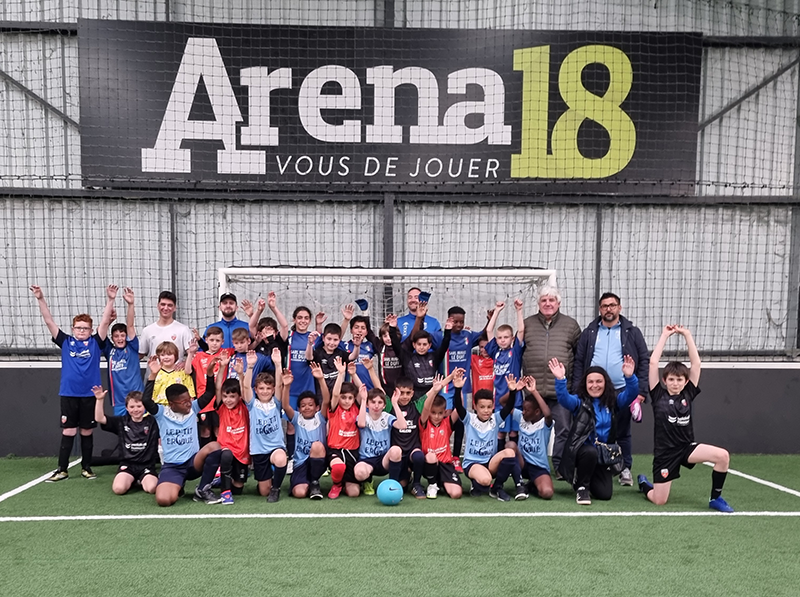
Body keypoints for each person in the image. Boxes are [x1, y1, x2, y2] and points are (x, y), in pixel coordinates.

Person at [637, 325, 734, 513]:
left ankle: (715, 498)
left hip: (686, 448)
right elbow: (653, 363)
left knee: (723, 456)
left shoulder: (688, 393)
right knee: (659, 501)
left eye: (679, 380)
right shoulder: (658, 395)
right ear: (664, 381)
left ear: (686, 381)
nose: (675, 383)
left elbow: (696, 365)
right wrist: (665, 335)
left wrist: (687, 335)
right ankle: (644, 485)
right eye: (671, 379)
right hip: (665, 453)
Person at [30, 284, 113, 482]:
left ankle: (86, 468)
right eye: (78, 327)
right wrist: (41, 299)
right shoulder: (66, 341)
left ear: (90, 330)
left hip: (90, 394)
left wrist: (110, 300)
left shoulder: (95, 342)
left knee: (86, 431)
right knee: (68, 430)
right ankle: (62, 469)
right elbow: (48, 320)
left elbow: (104, 323)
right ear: (73, 329)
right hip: (69, 393)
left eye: (85, 328)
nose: (82, 330)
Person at [573, 292, 649, 487]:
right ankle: (584, 467)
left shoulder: (632, 332)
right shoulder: (590, 332)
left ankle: (624, 468)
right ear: (600, 309)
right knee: (588, 430)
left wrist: (640, 391)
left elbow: (644, 361)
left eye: (613, 305)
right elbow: (580, 361)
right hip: (593, 390)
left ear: (619, 308)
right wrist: (577, 389)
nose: (609, 309)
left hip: (621, 389)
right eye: (605, 305)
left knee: (622, 431)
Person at [548, 355, 639, 505]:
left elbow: (631, 394)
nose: (594, 385)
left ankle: (585, 479)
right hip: (582, 452)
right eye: (590, 382)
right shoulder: (579, 402)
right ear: (585, 384)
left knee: (604, 494)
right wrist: (560, 379)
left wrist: (629, 377)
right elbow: (564, 398)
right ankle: (582, 487)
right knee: (590, 451)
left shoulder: (613, 402)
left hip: (603, 455)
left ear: (605, 383)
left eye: (599, 381)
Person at [141, 356, 224, 506]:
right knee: (164, 500)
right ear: (172, 403)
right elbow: (146, 401)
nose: (188, 404)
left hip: (193, 463)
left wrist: (210, 373)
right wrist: (153, 375)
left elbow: (209, 394)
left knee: (215, 447)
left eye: (189, 400)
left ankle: (203, 489)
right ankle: (177, 485)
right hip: (173, 466)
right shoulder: (161, 413)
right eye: (184, 402)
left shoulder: (193, 408)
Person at [521, 286, 581, 476]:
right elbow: (517, 352)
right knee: (532, 430)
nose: (548, 304)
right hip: (534, 391)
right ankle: (530, 466)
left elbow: (579, 357)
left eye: (551, 300)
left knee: (563, 429)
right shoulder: (527, 324)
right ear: (538, 303)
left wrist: (574, 385)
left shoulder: (571, 325)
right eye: (544, 300)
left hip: (561, 392)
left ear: (558, 303)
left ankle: (560, 467)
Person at [455, 375, 523, 502]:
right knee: (485, 480)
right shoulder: (469, 419)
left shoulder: (496, 419)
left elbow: (508, 408)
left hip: (490, 462)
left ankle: (496, 488)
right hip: (472, 463)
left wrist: (513, 391)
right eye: (482, 407)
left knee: (509, 452)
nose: (486, 410)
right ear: (475, 406)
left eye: (489, 407)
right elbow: (458, 407)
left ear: (493, 407)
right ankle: (477, 482)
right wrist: (458, 389)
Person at [239, 350, 287, 503]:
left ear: (272, 390)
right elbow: (245, 388)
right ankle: (267, 483)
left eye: (268, 388)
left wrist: (278, 364)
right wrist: (250, 367)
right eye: (261, 388)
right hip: (259, 451)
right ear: (256, 390)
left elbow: (280, 384)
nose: (265, 391)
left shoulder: (276, 403)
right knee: (262, 491)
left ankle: (276, 489)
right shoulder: (252, 404)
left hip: (275, 447)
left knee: (280, 459)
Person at [92, 386, 159, 494]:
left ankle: (141, 480)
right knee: (119, 489)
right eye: (132, 406)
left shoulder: (153, 422)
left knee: (152, 489)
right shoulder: (121, 422)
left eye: (139, 406)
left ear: (145, 407)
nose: (135, 409)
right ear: (127, 408)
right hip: (127, 465)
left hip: (147, 466)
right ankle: (131, 480)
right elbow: (99, 418)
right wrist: (99, 400)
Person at [282, 362, 329, 500]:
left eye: (310, 405)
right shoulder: (297, 418)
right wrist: (287, 386)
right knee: (299, 493)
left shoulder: (320, 417)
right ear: (299, 408)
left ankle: (314, 483)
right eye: (303, 406)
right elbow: (285, 405)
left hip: (318, 459)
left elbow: (327, 400)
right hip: (300, 463)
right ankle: (306, 483)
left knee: (317, 445)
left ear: (316, 407)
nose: (307, 408)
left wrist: (321, 379)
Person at [484, 299, 526, 448]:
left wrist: (519, 310)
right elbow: (489, 331)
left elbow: (521, 330)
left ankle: (514, 461)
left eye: (506, 337)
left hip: (515, 400)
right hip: (499, 400)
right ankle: (500, 461)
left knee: (514, 433)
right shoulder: (495, 351)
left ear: (512, 339)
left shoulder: (514, 352)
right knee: (500, 432)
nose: (502, 340)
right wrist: (497, 311)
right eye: (500, 338)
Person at [419, 370, 464, 499]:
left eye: (440, 413)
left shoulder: (447, 422)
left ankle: (441, 482)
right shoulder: (424, 423)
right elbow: (426, 408)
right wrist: (434, 390)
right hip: (429, 463)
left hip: (445, 464)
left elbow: (459, 409)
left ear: (445, 412)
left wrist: (458, 388)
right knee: (431, 456)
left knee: (456, 494)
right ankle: (432, 484)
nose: (437, 416)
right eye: (434, 413)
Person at [388, 308, 452, 397]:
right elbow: (396, 345)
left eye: (424, 344)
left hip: (431, 395)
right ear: (414, 345)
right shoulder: (407, 357)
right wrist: (392, 328)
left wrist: (448, 331)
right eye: (419, 344)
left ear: (429, 346)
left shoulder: (434, 357)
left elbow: (444, 346)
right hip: (414, 397)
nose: (421, 347)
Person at [102, 286, 144, 416]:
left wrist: (131, 304)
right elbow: (101, 333)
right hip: (119, 400)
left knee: (141, 429)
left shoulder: (131, 347)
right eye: (116, 336)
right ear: (112, 338)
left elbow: (130, 325)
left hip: (138, 398)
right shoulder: (109, 350)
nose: (120, 338)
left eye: (122, 335)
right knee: (123, 432)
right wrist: (108, 321)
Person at [354, 386, 408, 484]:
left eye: (380, 402)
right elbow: (361, 424)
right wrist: (363, 399)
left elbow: (403, 425)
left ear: (384, 405)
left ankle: (393, 485)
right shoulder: (364, 416)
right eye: (373, 402)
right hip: (366, 460)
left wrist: (395, 403)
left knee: (396, 450)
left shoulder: (387, 417)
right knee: (359, 473)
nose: (376, 405)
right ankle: (368, 481)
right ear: (368, 404)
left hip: (383, 460)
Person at [513, 376, 554, 500]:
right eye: (523, 409)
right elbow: (503, 403)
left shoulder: (544, 424)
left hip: (539, 467)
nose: (523, 412)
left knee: (547, 493)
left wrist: (534, 391)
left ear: (537, 412)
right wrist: (514, 390)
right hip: (522, 464)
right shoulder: (521, 418)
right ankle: (518, 484)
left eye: (527, 410)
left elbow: (547, 413)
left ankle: (532, 485)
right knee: (510, 446)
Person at [326, 356, 362, 499]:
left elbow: (361, 390)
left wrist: (353, 374)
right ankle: (337, 484)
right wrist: (341, 373)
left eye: (350, 398)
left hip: (353, 452)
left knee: (354, 493)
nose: (346, 401)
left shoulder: (356, 408)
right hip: (336, 450)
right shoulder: (335, 408)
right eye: (343, 397)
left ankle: (348, 482)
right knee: (338, 467)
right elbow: (335, 394)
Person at [138, 290, 194, 360]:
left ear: (175, 308)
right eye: (163, 304)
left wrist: (185, 363)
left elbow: (192, 355)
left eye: (170, 305)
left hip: (176, 371)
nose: (166, 308)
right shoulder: (147, 330)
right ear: (158, 306)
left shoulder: (183, 329)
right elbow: (139, 355)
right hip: (154, 371)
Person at [152, 340, 196, 406]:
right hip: (160, 408)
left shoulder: (182, 372)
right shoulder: (156, 373)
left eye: (169, 354)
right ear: (158, 357)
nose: (166, 357)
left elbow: (190, 395)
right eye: (162, 355)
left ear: (175, 355)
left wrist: (190, 353)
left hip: (180, 407)